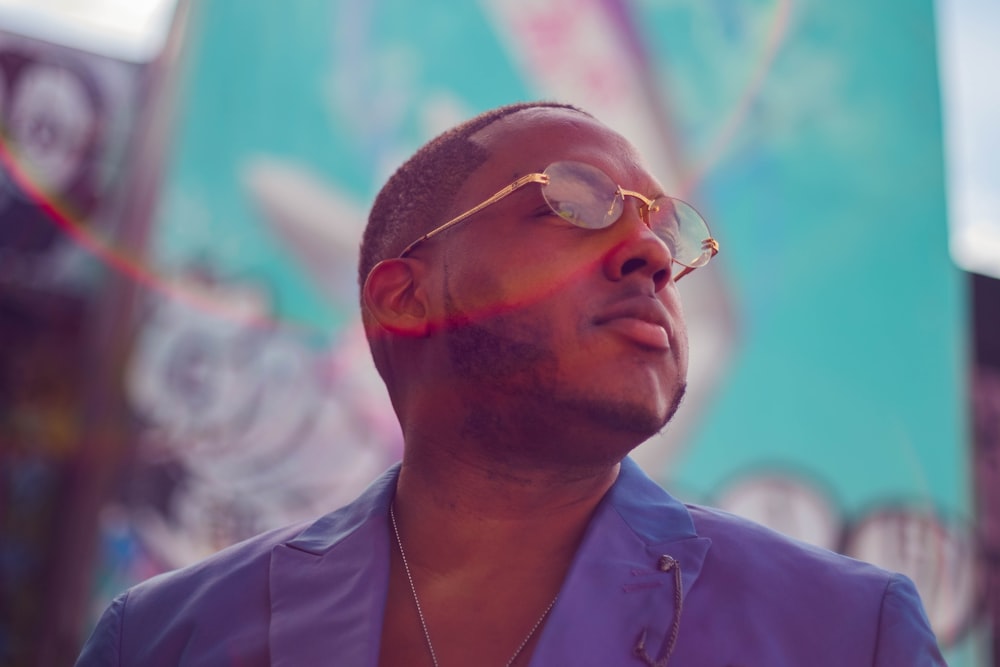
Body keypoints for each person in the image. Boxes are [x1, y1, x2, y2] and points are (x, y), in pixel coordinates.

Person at [76, 101, 947, 666]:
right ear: (405, 296)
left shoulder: (848, 634)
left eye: (666, 229)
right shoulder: (162, 640)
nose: (651, 252)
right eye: (576, 200)